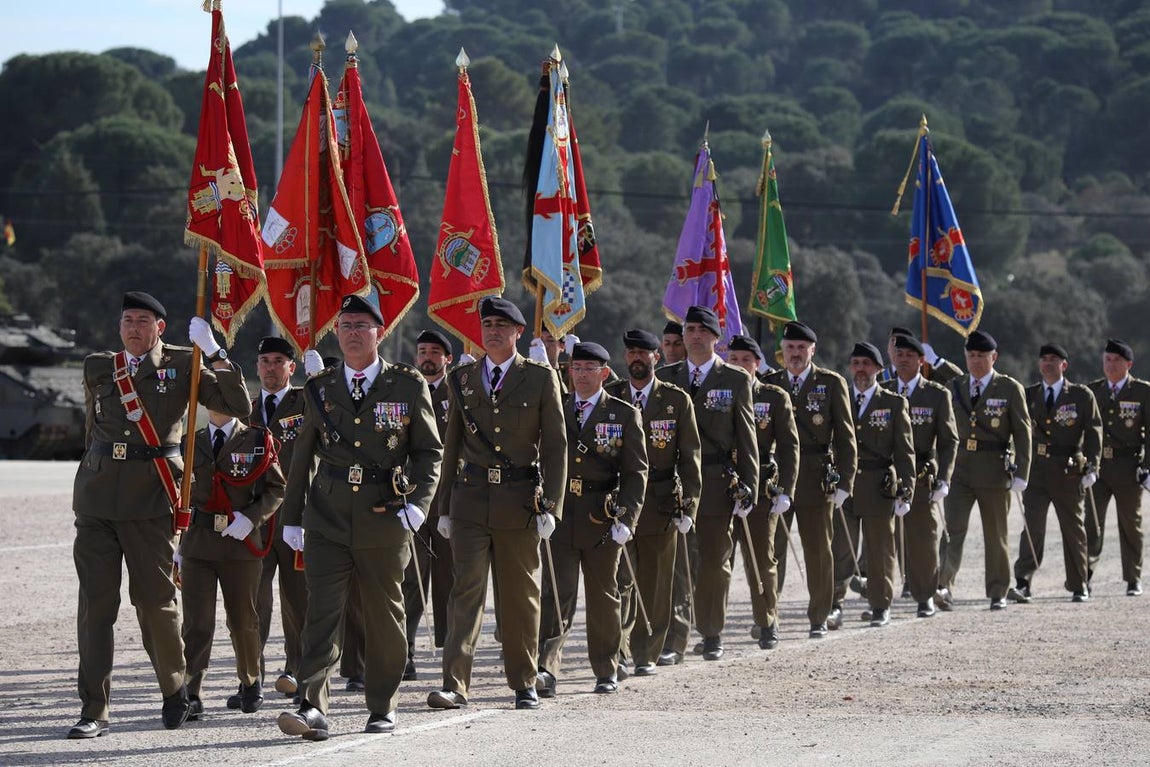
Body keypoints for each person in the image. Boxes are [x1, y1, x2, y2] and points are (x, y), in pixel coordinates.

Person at [69, 291, 251, 739]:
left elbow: (237, 405)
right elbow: (93, 428)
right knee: (96, 606)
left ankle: (175, 690)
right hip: (95, 499)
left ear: (159, 329)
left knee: (155, 603)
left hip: (151, 499)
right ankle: (94, 708)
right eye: (127, 319)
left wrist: (215, 353)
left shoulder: (184, 364)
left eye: (143, 321)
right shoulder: (98, 367)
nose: (133, 328)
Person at [275, 294, 442, 740]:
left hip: (383, 515)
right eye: (345, 326)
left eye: (360, 326)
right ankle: (311, 705)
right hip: (326, 515)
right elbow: (302, 457)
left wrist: (419, 504)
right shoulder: (320, 387)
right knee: (321, 614)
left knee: (384, 614)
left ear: (379, 333)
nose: (351, 333)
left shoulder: (407, 385)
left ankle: (383, 704)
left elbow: (429, 451)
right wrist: (292, 517)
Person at [427, 296, 567, 712]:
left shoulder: (540, 379)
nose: (492, 332)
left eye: (501, 326)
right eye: (487, 324)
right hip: (470, 501)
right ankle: (455, 684)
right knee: (464, 593)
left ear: (518, 332)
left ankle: (524, 680)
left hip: (520, 503)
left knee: (521, 595)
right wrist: (444, 507)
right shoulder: (463, 377)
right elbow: (450, 445)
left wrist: (553, 507)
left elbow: (557, 446)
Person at [536, 342, 647, 696]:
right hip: (563, 512)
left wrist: (627, 518)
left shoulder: (624, 414)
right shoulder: (554, 408)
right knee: (556, 594)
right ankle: (547, 668)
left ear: (603, 373)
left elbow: (636, 472)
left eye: (589, 368)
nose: (582, 374)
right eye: (576, 368)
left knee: (604, 596)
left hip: (602, 517)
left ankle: (606, 666)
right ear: (569, 372)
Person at [655, 305, 758, 661]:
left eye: (702, 330)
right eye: (690, 330)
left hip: (717, 482)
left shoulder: (735, 378)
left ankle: (712, 631)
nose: (695, 335)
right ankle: (674, 640)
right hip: (675, 483)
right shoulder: (665, 376)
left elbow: (747, 439)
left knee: (715, 561)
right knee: (678, 563)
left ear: (716, 337)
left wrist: (750, 486)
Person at [180, 408, 286, 719]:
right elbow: (177, 491)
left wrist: (252, 518)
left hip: (240, 543)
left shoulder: (256, 440)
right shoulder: (192, 441)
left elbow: (276, 489)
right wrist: (176, 542)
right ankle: (192, 690)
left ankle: (250, 680)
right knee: (197, 624)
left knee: (243, 620)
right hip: (198, 542)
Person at [606, 329, 701, 675]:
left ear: (656, 358)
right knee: (617, 580)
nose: (636, 360)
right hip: (618, 504)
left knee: (657, 582)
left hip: (660, 503)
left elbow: (690, 458)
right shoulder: (611, 397)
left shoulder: (675, 401)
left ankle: (647, 651)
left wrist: (688, 506)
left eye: (643, 354)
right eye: (631, 353)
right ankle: (615, 651)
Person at [765, 321, 856, 638]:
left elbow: (846, 436)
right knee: (772, 551)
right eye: (790, 348)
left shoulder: (830, 383)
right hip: (778, 479)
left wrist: (845, 482)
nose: (795, 354)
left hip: (816, 477)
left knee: (818, 550)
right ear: (783, 351)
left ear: (812, 350)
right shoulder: (771, 383)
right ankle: (768, 618)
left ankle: (819, 615)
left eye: (801, 348)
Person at [937, 330, 1031, 611]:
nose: (976, 361)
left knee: (996, 534)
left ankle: (998, 590)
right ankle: (944, 585)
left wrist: (1022, 473)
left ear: (994, 357)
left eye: (982, 356)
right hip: (961, 469)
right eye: (971, 355)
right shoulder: (955, 386)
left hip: (994, 469)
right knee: (952, 531)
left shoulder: (1009, 388)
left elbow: (1023, 433)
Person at [1008, 343, 1101, 604]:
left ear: (1064, 365)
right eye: (1044, 359)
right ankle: (1023, 580)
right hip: (1036, 471)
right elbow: (1013, 428)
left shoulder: (1081, 396)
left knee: (1073, 528)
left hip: (1068, 469)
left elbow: (1094, 433)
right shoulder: (1028, 395)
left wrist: (1092, 466)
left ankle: (1079, 582)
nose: (1048, 364)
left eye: (1054, 359)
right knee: (1032, 527)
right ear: (1039, 364)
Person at [831, 342, 915, 628]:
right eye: (856, 363)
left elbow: (905, 451)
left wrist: (907, 489)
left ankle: (880, 604)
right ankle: (835, 604)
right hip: (845, 484)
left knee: (880, 550)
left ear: (879, 369)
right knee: (841, 548)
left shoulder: (893, 403)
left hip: (879, 485)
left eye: (867, 364)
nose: (860, 369)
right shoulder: (838, 397)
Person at [245, 336, 308, 706]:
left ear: (291, 367)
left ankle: (297, 672)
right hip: (256, 518)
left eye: (278, 361)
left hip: (296, 515)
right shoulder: (248, 410)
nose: (271, 367)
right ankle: (251, 676)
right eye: (265, 361)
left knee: (298, 599)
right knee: (252, 600)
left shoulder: (306, 402)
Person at [725, 334, 798, 648]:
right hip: (722, 485)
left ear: (757, 363)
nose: (739, 366)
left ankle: (767, 621)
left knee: (761, 559)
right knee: (716, 560)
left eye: (746, 360)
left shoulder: (773, 396)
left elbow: (789, 447)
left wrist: (785, 490)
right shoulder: (718, 394)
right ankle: (712, 629)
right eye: (734, 360)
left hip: (761, 486)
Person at [882, 333, 958, 617]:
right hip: (886, 474)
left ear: (921, 361)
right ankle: (887, 594)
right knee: (887, 539)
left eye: (909, 356)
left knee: (923, 537)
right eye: (899, 355)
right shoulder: (884, 390)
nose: (903, 360)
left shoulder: (937, 394)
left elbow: (950, 441)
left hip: (921, 474)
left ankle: (925, 594)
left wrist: (945, 479)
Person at [400, 329, 456, 680]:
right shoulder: (405, 391)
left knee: (452, 581)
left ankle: (453, 656)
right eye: (422, 351)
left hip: (452, 499)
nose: (427, 357)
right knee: (409, 580)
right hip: (414, 498)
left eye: (435, 351)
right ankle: (402, 651)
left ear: (447, 358)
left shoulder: (461, 393)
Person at [1086, 339, 1150, 596]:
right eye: (1107, 360)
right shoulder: (1092, 391)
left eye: (1116, 361)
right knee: (1091, 523)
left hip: (1128, 466)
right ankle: (1085, 576)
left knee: (1130, 525)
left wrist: (1147, 467)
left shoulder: (1143, 392)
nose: (1110, 365)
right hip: (1098, 468)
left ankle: (1133, 577)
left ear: (1128, 364)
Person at [879, 326, 961, 385]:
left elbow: (961, 382)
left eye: (904, 341)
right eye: (893, 340)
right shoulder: (879, 377)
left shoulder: (928, 373)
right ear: (888, 349)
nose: (897, 345)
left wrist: (935, 360)